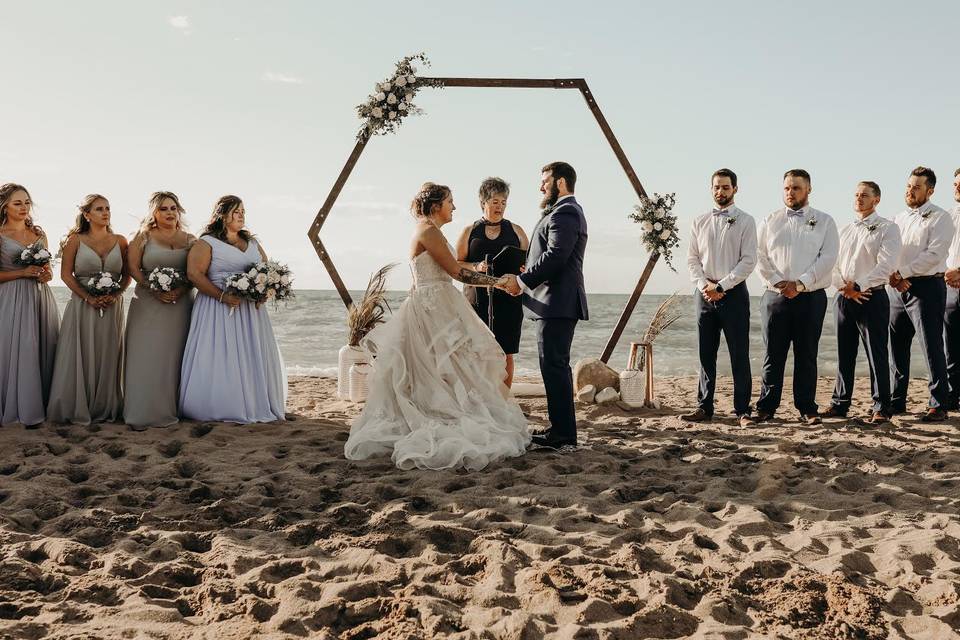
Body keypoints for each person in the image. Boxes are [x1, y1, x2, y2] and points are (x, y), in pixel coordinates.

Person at [345, 182, 530, 471]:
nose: (454, 207)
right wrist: (499, 283)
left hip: (440, 304)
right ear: (435, 205)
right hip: (433, 308)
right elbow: (458, 272)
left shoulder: (433, 231)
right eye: (450, 201)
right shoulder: (428, 231)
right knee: (437, 366)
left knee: (449, 366)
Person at [502, 162, 588, 450]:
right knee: (553, 367)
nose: (541, 187)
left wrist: (523, 280)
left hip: (557, 303)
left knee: (554, 366)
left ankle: (563, 436)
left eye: (545, 181)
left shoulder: (566, 212)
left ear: (560, 182)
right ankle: (560, 430)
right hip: (553, 302)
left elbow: (556, 256)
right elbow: (549, 255)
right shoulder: (564, 212)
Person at [179, 195, 286, 423]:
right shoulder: (207, 242)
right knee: (220, 355)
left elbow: (266, 271)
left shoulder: (253, 243)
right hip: (217, 308)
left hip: (250, 311)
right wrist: (222, 296)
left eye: (243, 211)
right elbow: (194, 274)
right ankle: (220, 405)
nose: (241, 215)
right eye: (236, 211)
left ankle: (256, 402)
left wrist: (264, 293)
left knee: (250, 354)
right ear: (222, 214)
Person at [755, 169, 839, 425]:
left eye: (796, 188)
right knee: (773, 354)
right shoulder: (770, 220)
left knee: (806, 354)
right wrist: (781, 283)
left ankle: (806, 407)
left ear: (809, 189)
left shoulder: (824, 221)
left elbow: (828, 258)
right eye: (787, 188)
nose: (791, 193)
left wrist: (800, 284)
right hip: (775, 296)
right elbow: (759, 256)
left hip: (810, 298)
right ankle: (766, 407)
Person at [682, 168, 757, 427]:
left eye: (725, 187)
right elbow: (692, 259)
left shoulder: (746, 221)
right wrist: (705, 285)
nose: (720, 192)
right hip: (703, 295)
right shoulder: (699, 221)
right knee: (705, 354)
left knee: (739, 354)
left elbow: (748, 261)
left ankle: (742, 411)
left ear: (735, 189)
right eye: (716, 187)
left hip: (733, 294)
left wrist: (722, 286)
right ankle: (704, 407)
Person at [822, 181, 901, 423]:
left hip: (872, 296)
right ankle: (840, 402)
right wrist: (843, 287)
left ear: (876, 199)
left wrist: (858, 286)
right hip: (843, 297)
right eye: (856, 195)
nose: (859, 198)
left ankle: (881, 407)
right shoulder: (844, 229)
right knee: (844, 353)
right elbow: (831, 263)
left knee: (876, 353)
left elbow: (886, 265)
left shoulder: (888, 228)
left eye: (864, 195)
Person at [47, 194, 129, 424]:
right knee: (80, 351)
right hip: (83, 306)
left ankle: (105, 405)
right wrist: (88, 298)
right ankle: (78, 405)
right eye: (99, 209)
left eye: (108, 208)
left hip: (112, 306)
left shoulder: (121, 241)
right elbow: (65, 275)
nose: (105, 213)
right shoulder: (75, 240)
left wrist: (115, 294)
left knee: (108, 352)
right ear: (87, 214)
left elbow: (127, 275)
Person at [123, 191, 196, 429]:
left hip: (181, 306)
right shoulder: (143, 237)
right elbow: (133, 268)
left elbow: (196, 272)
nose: (169, 213)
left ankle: (176, 408)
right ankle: (142, 410)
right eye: (163, 209)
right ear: (154, 213)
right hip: (148, 305)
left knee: (176, 358)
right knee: (146, 356)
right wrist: (154, 289)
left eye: (173, 208)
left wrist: (182, 290)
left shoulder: (191, 240)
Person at [888, 166, 954, 421]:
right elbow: (889, 251)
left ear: (930, 190)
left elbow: (934, 255)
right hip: (897, 289)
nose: (910, 191)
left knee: (931, 346)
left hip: (926, 287)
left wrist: (903, 272)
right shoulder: (898, 218)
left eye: (916, 187)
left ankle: (938, 404)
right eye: (908, 186)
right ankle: (897, 400)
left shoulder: (940, 218)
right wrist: (895, 276)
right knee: (897, 347)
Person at [455, 177, 529, 388]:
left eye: (504, 202)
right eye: (495, 201)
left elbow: (530, 263)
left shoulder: (517, 231)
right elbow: (457, 264)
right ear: (484, 203)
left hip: (509, 299)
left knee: (506, 352)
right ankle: (479, 400)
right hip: (475, 299)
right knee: (475, 351)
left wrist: (524, 270)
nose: (500, 206)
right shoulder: (469, 231)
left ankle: (503, 402)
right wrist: (477, 266)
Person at [0, 183, 59, 427]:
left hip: (39, 297)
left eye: (26, 202)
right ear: (4, 206)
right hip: (11, 298)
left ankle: (40, 404)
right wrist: (22, 272)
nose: (24, 208)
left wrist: (45, 275)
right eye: (17, 203)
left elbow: (48, 272)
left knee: (42, 346)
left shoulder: (38, 233)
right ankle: (16, 407)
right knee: (14, 349)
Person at [944, 168, 960, 410]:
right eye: (956, 183)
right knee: (950, 346)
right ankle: (951, 397)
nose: (958, 188)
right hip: (948, 288)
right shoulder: (946, 217)